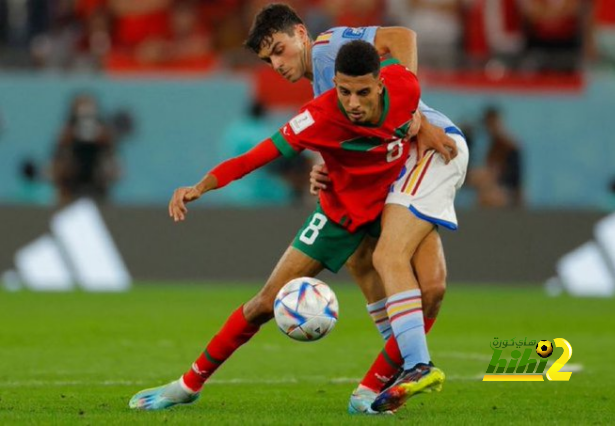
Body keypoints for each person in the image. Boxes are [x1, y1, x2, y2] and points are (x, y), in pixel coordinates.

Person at [129, 40, 439, 412]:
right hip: (338, 214)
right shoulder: (319, 117)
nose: (353, 103)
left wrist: (424, 125)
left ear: (380, 85)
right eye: (343, 92)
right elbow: (254, 157)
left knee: (432, 292)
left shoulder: (406, 86)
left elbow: (395, 43)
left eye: (362, 92)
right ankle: (188, 384)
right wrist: (202, 185)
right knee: (264, 302)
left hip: (395, 206)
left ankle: (367, 395)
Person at [244, 4, 467, 413]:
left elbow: (402, 37)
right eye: (268, 58)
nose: (277, 63)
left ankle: (412, 365)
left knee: (387, 257)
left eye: (279, 50)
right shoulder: (322, 94)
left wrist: (413, 112)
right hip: (397, 165)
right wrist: (323, 170)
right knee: (405, 275)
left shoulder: (331, 48)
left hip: (424, 153)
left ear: (300, 34)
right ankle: (392, 373)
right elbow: (345, 139)